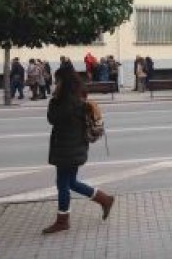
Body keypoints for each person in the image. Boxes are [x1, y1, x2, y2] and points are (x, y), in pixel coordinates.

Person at [42, 67, 114, 234]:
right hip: (74, 147)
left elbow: (52, 118)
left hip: (68, 149)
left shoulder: (67, 101)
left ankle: (63, 221)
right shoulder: (78, 96)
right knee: (71, 182)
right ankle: (104, 199)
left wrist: (54, 99)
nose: (55, 83)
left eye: (57, 80)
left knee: (63, 185)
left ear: (63, 82)